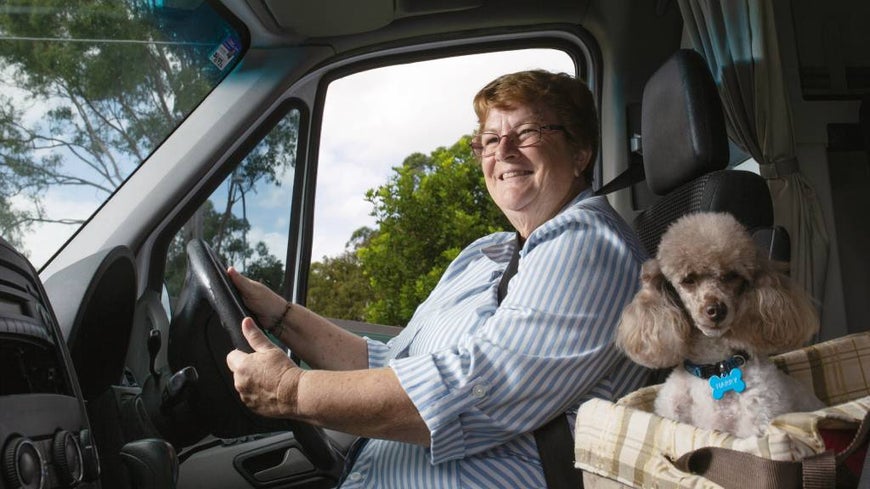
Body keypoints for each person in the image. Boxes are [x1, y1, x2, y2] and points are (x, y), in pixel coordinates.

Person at [226, 69, 649, 488]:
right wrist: (280, 315)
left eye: (528, 132)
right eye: (489, 139)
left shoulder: (589, 242)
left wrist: (292, 392)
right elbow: (392, 362)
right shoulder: (488, 253)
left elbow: (475, 389)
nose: (503, 151)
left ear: (581, 152)